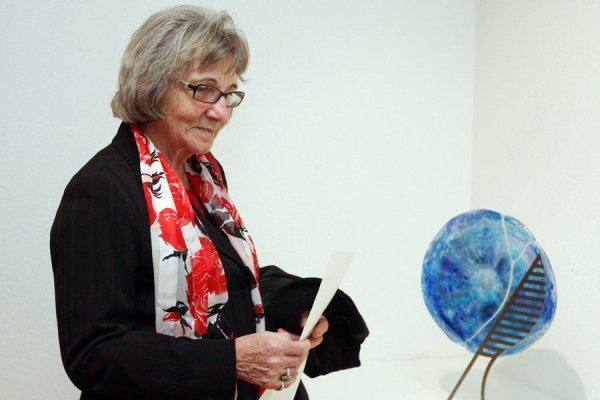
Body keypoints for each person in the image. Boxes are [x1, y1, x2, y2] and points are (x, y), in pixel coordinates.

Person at [50, 6, 331, 399]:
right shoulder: (101, 191)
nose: (220, 112)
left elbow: (221, 283)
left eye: (228, 93)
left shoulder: (203, 174)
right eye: (204, 89)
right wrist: (232, 361)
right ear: (153, 84)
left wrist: (297, 308)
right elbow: (94, 354)